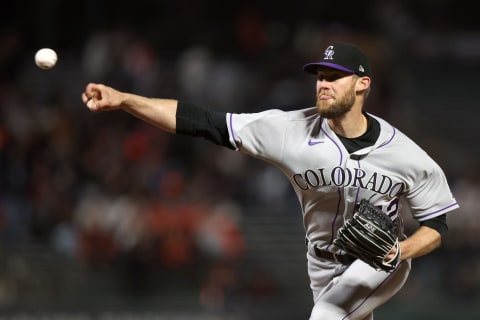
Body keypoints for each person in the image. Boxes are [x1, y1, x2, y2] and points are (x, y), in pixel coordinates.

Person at [81, 42, 459, 319]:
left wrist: (400, 252)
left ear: (362, 85)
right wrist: (125, 99)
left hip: (379, 261)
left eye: (334, 77)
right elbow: (202, 121)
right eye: (320, 77)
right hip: (321, 265)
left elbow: (438, 223)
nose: (323, 84)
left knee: (326, 315)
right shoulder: (288, 130)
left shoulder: (404, 153)